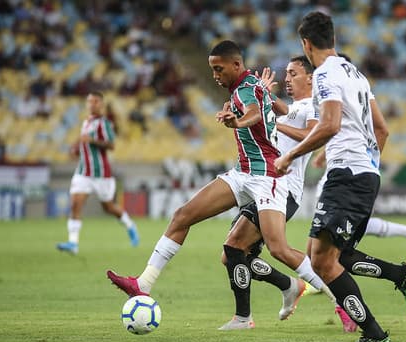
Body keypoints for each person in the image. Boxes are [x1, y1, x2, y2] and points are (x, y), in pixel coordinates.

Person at [106, 41, 328, 318]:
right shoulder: (248, 88)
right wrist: (257, 102)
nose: (214, 75)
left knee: (278, 249)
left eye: (219, 69)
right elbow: (263, 109)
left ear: (236, 65)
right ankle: (143, 284)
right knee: (184, 217)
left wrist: (237, 120)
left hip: (267, 178)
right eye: (212, 69)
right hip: (242, 174)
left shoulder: (248, 89)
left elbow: (254, 114)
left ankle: (336, 298)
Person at [273, 12, 406, 342]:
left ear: (306, 44)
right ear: (333, 39)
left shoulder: (325, 74)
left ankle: (374, 334)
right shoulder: (354, 72)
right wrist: (369, 168)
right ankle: (403, 277)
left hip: (347, 175)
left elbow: (329, 125)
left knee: (324, 262)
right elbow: (382, 128)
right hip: (362, 174)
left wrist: (288, 156)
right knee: (328, 255)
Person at [216, 56, 356, 331]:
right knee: (232, 253)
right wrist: (263, 94)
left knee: (270, 249)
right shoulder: (292, 108)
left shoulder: (316, 106)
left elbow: (311, 133)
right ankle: (288, 286)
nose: (287, 78)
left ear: (310, 78)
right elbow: (274, 108)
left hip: (283, 188)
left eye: (293, 73)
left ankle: (338, 302)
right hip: (262, 182)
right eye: (286, 73)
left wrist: (271, 123)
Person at [56, 91, 140, 255]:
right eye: (89, 101)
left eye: (95, 102)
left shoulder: (104, 123)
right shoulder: (86, 122)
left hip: (101, 174)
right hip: (83, 172)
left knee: (109, 208)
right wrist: (75, 149)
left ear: (101, 104)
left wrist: (92, 141)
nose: (92, 104)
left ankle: (130, 225)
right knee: (75, 204)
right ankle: (73, 243)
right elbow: (83, 142)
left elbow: (111, 145)